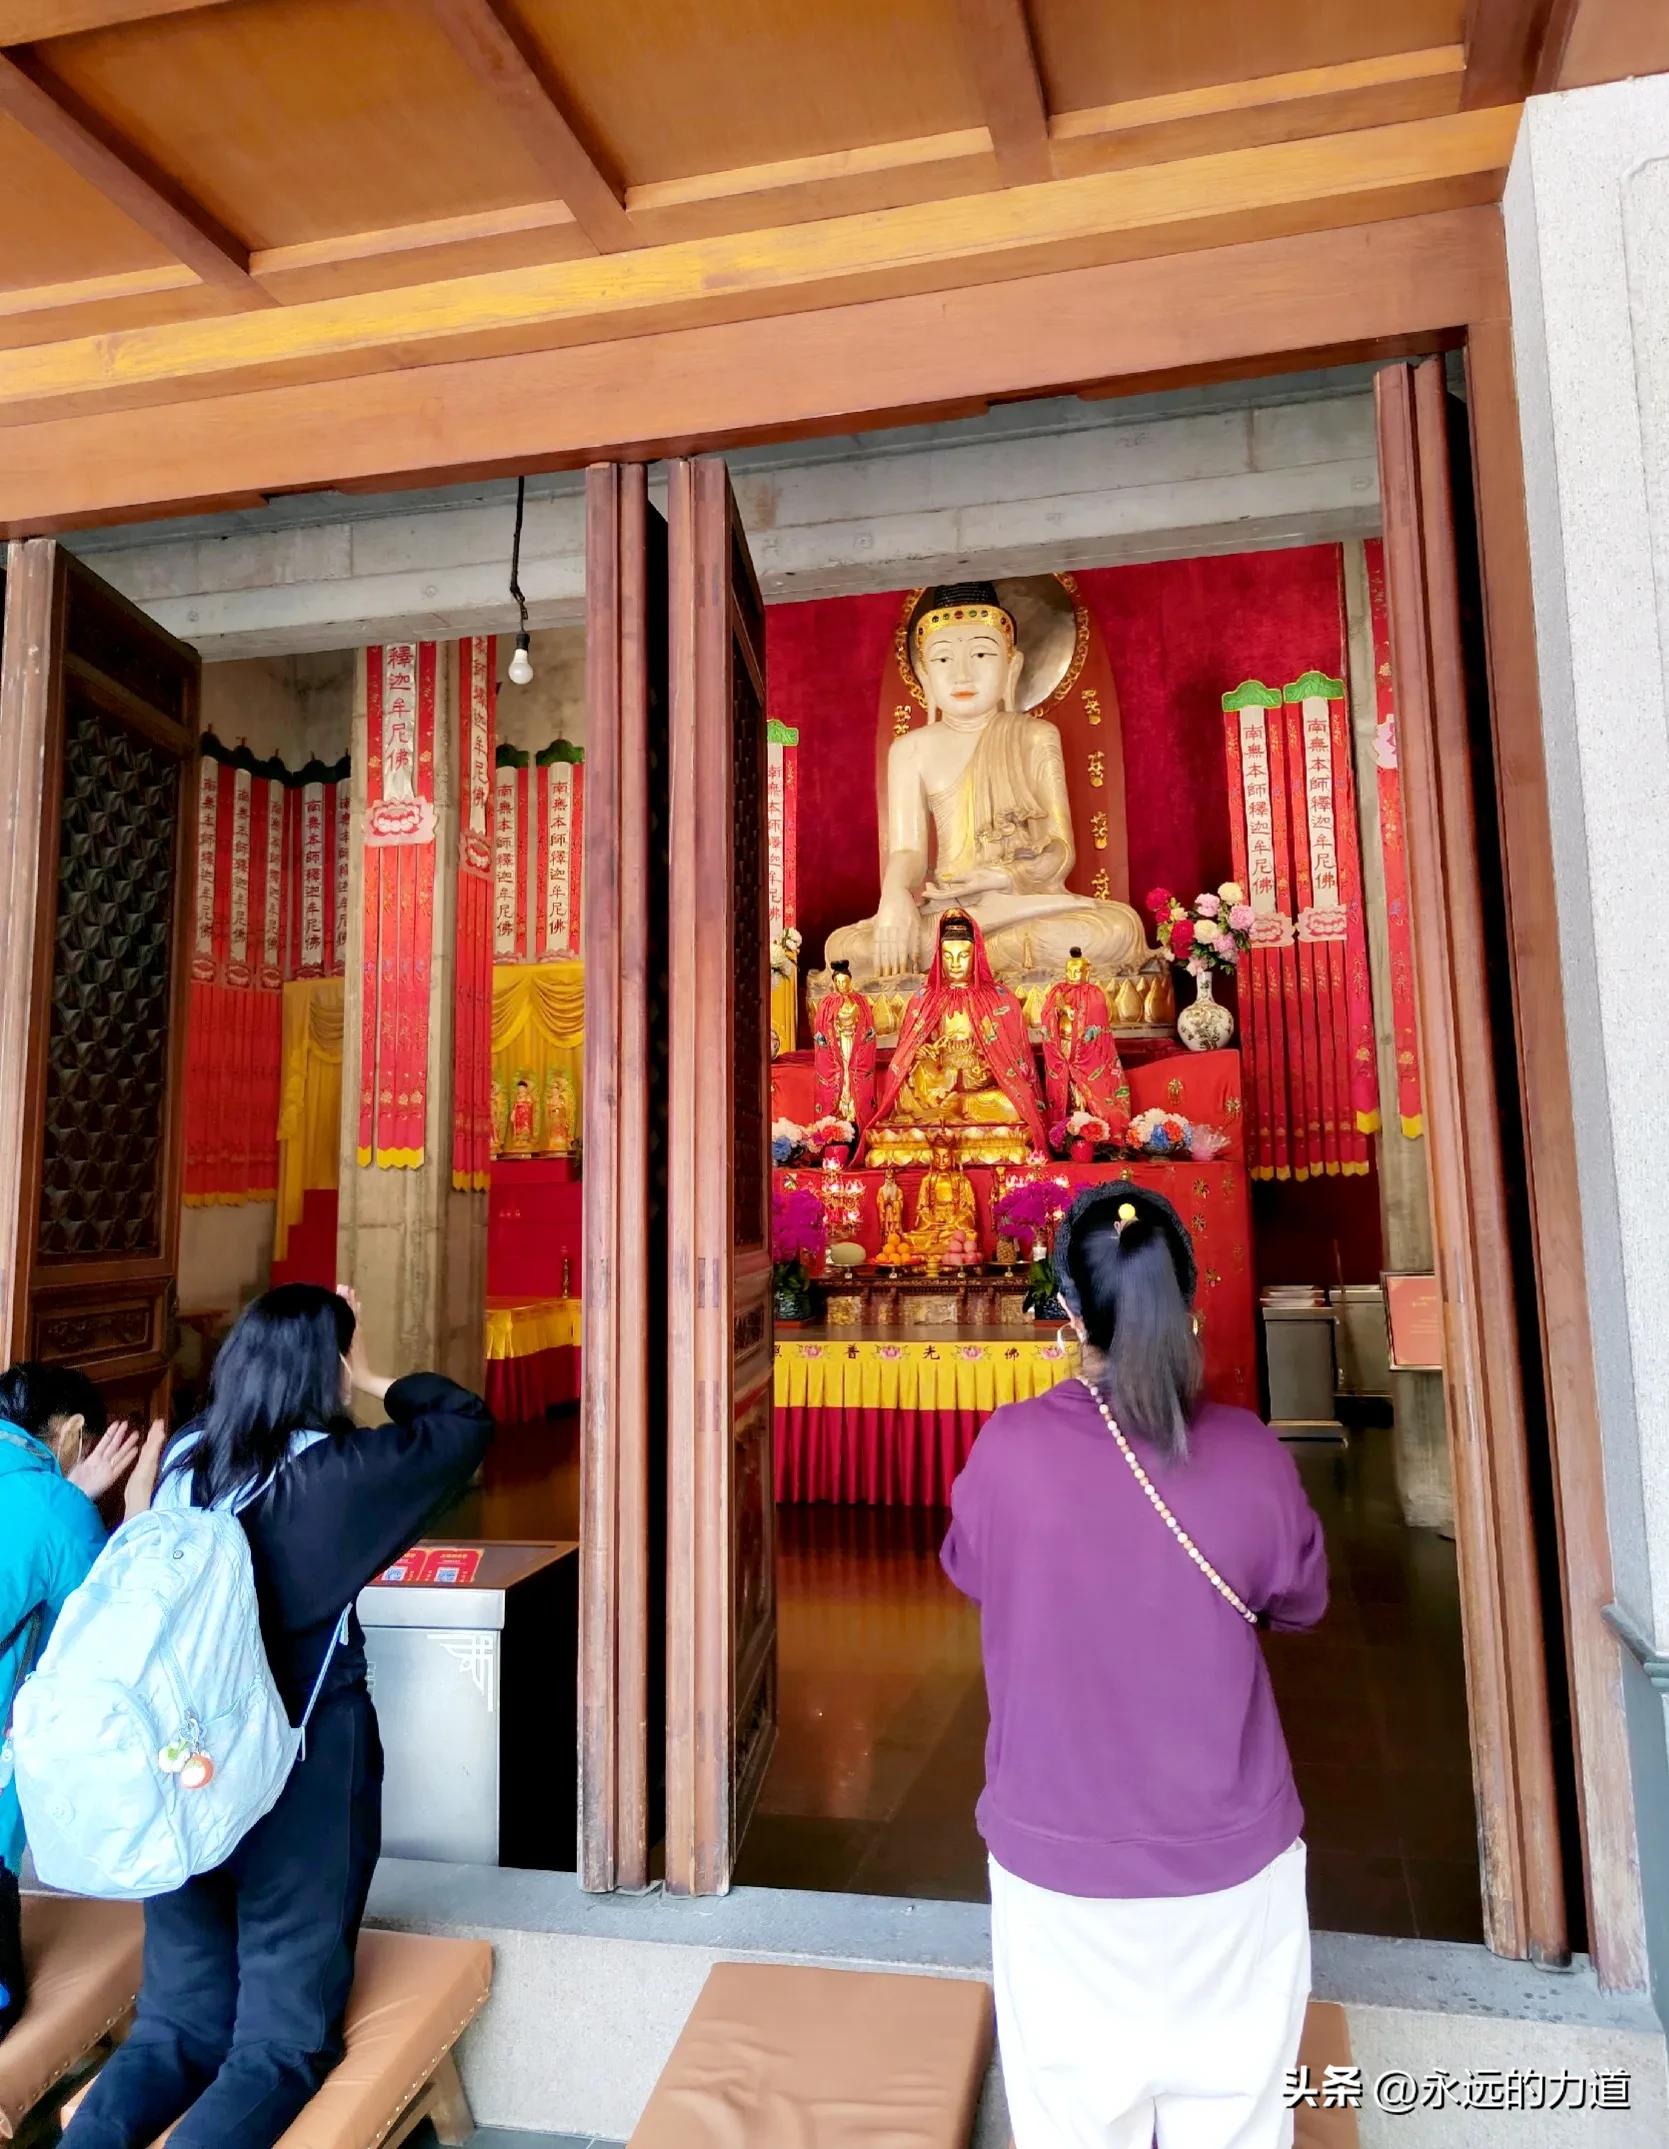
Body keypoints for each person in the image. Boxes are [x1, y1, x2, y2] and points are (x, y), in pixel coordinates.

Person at [942, 1183, 1328, 2149]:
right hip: (1232, 1869)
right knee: (1237, 2126)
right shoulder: (1250, 1454)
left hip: (1057, 1867)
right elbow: (1300, 1599)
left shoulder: (1010, 1449)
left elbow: (971, 1566)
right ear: (1188, 1298)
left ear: (1067, 1309)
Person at [64, 1284, 493, 2149]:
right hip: (301, 1765)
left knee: (177, 2029)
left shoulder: (187, 1454)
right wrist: (370, 1371)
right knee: (279, 2045)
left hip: (177, 1765)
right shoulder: (337, 1476)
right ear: (323, 1368)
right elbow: (463, 1423)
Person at [1, 1364, 156, 2040]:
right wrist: (131, 1522)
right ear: (67, 1432)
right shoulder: (59, 1508)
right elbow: (104, 1637)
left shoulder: (48, 1498)